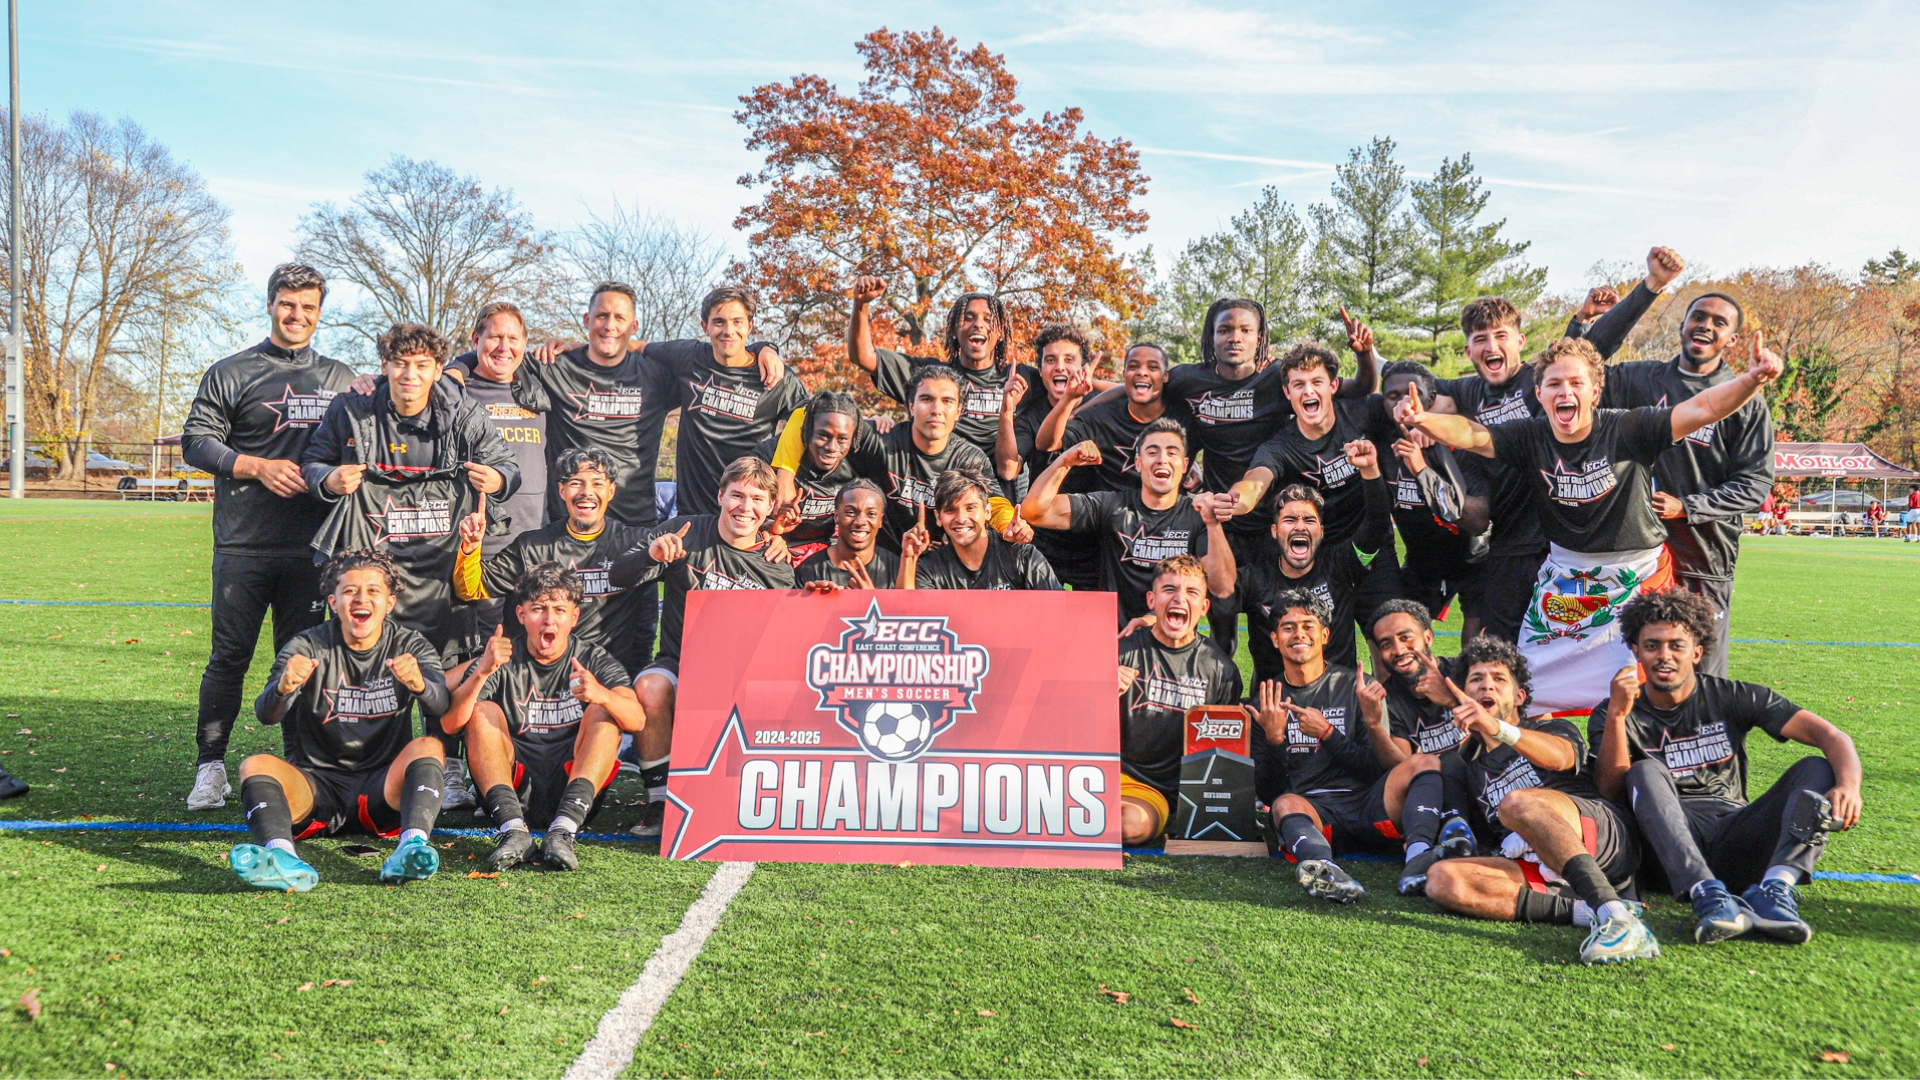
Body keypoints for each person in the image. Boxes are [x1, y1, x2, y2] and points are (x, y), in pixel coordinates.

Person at [1395, 334, 1784, 715]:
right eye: (1554, 384)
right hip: (1567, 575)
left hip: (1638, 573)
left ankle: (1632, 769)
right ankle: (1539, 764)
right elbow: (1472, 435)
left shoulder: (1628, 428)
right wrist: (1425, 420)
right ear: (1541, 394)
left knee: (1640, 689)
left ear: (1595, 391)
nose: (1565, 391)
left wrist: (1750, 380)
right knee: (1528, 685)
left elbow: (1702, 408)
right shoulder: (1531, 436)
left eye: (1576, 383)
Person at [181, 263, 355, 810]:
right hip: (244, 546)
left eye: (308, 307)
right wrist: (253, 466)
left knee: (300, 662)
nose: (297, 315)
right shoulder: (231, 371)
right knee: (228, 659)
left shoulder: (342, 378)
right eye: (287, 304)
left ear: (320, 313)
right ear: (271, 304)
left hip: (316, 551)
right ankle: (210, 768)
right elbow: (195, 442)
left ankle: (297, 766)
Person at [1594, 590, 1862, 945]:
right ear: (1636, 651)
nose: (1664, 656)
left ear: (1697, 652)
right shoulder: (1614, 709)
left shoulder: (1732, 695)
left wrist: (1849, 786)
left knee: (1816, 767)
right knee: (1644, 771)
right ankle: (1705, 893)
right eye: (1652, 645)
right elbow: (1610, 790)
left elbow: (1830, 734)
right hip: (1664, 853)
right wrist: (1616, 716)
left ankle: (1775, 890)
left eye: (1676, 645)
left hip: (1735, 836)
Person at [1438, 254, 1682, 642]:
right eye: (1480, 339)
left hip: (1559, 550)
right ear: (1468, 351)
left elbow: (1593, 347)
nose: (1491, 346)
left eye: (1501, 336)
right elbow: (1406, 385)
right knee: (1499, 648)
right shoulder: (1464, 391)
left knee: (1575, 646)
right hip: (1505, 547)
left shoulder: (1544, 384)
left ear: (1519, 343)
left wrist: (1649, 287)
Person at [1420, 634, 1660, 965]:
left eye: (1498, 679)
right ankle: (1585, 912)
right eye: (1476, 679)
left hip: (1600, 836)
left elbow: (1560, 758)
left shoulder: (1553, 728)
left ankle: (1616, 917)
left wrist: (1498, 727)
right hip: (1545, 867)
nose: (1486, 686)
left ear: (1519, 696)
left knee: (1518, 804)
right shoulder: (1470, 768)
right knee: (1443, 879)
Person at [226, 550, 451, 892]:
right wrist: (284, 689)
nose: (361, 599)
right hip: (316, 787)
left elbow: (441, 705)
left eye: (373, 591)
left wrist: (419, 684)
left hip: (381, 790)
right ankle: (281, 857)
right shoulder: (306, 644)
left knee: (430, 745)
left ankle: (411, 845)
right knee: (255, 764)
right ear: (333, 601)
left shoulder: (409, 644)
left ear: (390, 602)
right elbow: (266, 714)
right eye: (350, 591)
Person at [301, 322, 519, 662]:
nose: (410, 374)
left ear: (438, 369)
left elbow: (508, 467)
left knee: (442, 698)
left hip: (442, 585)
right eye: (400, 362)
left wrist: (497, 479)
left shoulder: (465, 413)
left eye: (421, 364)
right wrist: (328, 479)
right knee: (376, 691)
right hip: (369, 580)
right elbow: (313, 461)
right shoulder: (352, 409)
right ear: (384, 365)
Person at [1169, 302, 1378, 655]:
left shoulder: (1281, 378)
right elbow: (1136, 386)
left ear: (1260, 337)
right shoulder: (1190, 378)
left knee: (1274, 621)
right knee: (1222, 609)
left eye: (1245, 330)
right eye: (1224, 330)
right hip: (1225, 520)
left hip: (1272, 521)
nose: (1235, 337)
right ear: (1211, 335)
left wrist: (1365, 354)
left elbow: (1359, 387)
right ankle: (1224, 690)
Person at [609, 457, 797, 837]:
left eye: (757, 499)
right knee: (648, 688)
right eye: (737, 495)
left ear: (769, 507)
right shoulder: (685, 531)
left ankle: (744, 794)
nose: (746, 507)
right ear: (720, 496)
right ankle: (660, 801)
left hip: (737, 683)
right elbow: (618, 574)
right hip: (680, 664)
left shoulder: (776, 563)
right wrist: (651, 555)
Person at [1599, 292, 1775, 677]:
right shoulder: (1638, 379)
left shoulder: (1747, 400)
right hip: (1636, 554)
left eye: (1719, 322)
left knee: (1703, 676)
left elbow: (1755, 484)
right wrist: (1590, 319)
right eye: (1698, 316)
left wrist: (1688, 507)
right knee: (1632, 670)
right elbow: (1584, 364)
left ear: (1731, 339)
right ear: (1682, 325)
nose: (1706, 325)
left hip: (1703, 557)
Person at [1251, 590, 1458, 904]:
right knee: (1284, 805)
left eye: (1308, 626)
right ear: (1275, 639)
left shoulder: (1357, 686)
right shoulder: (1266, 700)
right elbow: (1268, 793)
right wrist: (1276, 740)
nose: (1299, 634)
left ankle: (1419, 856)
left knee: (1423, 763)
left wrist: (1329, 734)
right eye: (1288, 627)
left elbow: (1377, 768)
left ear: (1325, 635)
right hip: (1317, 816)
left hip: (1370, 804)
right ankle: (1325, 869)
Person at [439, 564, 643, 871]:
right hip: (512, 785)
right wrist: (481, 671)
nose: (549, 619)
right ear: (521, 615)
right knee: (482, 711)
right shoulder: (501, 657)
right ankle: (513, 831)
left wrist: (600, 694)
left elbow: (637, 720)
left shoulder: (592, 657)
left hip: (573, 789)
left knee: (606, 710)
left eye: (559, 609)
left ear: (574, 617)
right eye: (539, 609)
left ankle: (563, 830)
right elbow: (450, 724)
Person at [1227, 340, 1400, 644]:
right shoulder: (1281, 445)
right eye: (1298, 384)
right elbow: (1256, 481)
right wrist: (1233, 501)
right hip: (1320, 558)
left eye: (1316, 382)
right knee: (1304, 645)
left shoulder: (1364, 412)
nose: (1308, 391)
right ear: (1287, 393)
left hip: (1370, 544)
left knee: (1387, 635)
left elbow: (1402, 413)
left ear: (1333, 385)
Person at [772, 365, 1019, 551]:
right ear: (911, 405)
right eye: (926, 399)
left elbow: (994, 501)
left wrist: (1009, 525)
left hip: (938, 564)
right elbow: (807, 413)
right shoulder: (883, 441)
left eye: (947, 401)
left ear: (959, 411)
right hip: (880, 559)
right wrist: (784, 475)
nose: (936, 409)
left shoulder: (968, 458)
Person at [452, 448, 653, 674]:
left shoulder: (635, 545)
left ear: (611, 491)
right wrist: (470, 548)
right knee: (457, 686)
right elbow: (470, 590)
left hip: (608, 675)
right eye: (576, 483)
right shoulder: (532, 546)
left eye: (597, 483)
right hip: (539, 675)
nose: (587, 492)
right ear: (562, 490)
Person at [1020, 420, 1236, 625]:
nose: (1162, 459)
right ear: (1138, 463)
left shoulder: (1197, 515)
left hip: (1171, 645)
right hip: (1114, 642)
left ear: (1184, 464)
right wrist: (1064, 461)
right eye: (1152, 452)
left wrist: (1213, 524)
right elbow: (1034, 512)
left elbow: (1223, 587)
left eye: (1172, 452)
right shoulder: (1112, 506)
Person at [646, 286, 810, 516]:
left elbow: (811, 422)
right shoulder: (689, 357)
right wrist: (580, 352)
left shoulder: (775, 375)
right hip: (692, 513)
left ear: (750, 326)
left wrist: (785, 473)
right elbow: (635, 348)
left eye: (737, 321)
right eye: (719, 322)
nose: (728, 330)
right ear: (705, 327)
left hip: (747, 513)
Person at [1115, 556, 1244, 846]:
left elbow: (1224, 755)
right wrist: (1099, 690)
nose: (1180, 599)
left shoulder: (1221, 671)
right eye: (1169, 590)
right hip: (1111, 775)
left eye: (1192, 592)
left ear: (1204, 607)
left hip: (1162, 790)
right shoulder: (1120, 651)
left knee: (1130, 826)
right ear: (1152, 599)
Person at [1232, 444, 1389, 680]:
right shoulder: (1256, 577)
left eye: (1309, 520)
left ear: (1321, 531)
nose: (1300, 526)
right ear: (1274, 531)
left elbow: (1376, 524)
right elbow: (1218, 590)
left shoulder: (1341, 565)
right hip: (1277, 702)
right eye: (1290, 519)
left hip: (1336, 699)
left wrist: (1370, 471)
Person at [846, 276, 1040, 461]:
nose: (978, 324)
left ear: (1001, 332)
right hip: (940, 478)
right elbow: (863, 356)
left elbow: (1061, 392)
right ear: (954, 330)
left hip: (997, 486)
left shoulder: (1021, 377)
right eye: (969, 317)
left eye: (988, 319)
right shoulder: (931, 377)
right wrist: (861, 305)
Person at [1375, 361, 1490, 621]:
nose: (1404, 403)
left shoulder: (1460, 440)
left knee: (1477, 643)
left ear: (1432, 399)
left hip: (1474, 558)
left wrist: (1423, 469)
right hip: (1422, 561)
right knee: (1400, 630)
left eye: (1413, 394)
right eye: (1393, 396)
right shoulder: (1380, 439)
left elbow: (1477, 521)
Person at [997, 323, 1106, 589]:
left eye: (1070, 360)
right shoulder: (1031, 416)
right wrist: (1006, 411)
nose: (1060, 367)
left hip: (1094, 540)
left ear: (1084, 367)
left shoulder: (1105, 407)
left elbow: (1141, 393)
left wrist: (1093, 383)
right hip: (1046, 538)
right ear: (1040, 371)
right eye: (1050, 360)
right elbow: (1009, 469)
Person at [902, 467, 1058, 590]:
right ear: (938, 517)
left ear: (987, 512)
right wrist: (909, 558)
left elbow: (1058, 610)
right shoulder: (929, 569)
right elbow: (914, 616)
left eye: (970, 508)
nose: (961, 518)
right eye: (950, 510)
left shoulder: (1022, 556)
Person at [766, 390, 865, 566]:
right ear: (807, 431)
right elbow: (744, 510)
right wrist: (770, 532)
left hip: (824, 554)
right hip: (775, 548)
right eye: (823, 436)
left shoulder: (858, 461)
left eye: (842, 439)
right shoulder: (768, 456)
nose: (831, 447)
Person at [794, 480, 903, 590]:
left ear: (880, 520)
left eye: (871, 514)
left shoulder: (897, 568)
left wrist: (871, 598)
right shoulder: (808, 571)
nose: (860, 522)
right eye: (850, 512)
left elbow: (907, 606)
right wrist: (809, 602)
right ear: (836, 516)